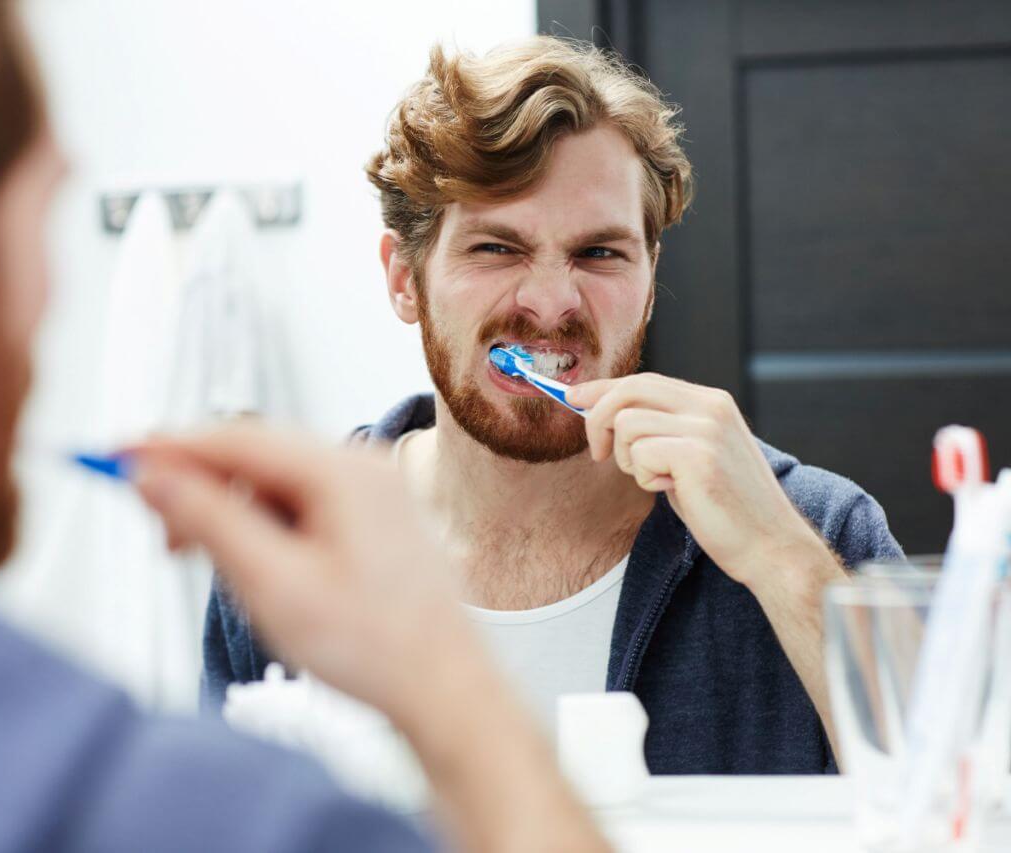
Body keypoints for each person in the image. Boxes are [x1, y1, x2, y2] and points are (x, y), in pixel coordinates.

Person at [0, 2, 608, 850]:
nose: (48, 300)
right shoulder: (125, 803)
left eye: (602, 250)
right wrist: (451, 687)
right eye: (40, 221)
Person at [203, 36, 904, 774]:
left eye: (600, 253)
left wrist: (784, 561)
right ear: (405, 279)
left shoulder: (819, 529)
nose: (550, 302)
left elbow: (970, 805)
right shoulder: (280, 545)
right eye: (496, 249)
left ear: (649, 272)